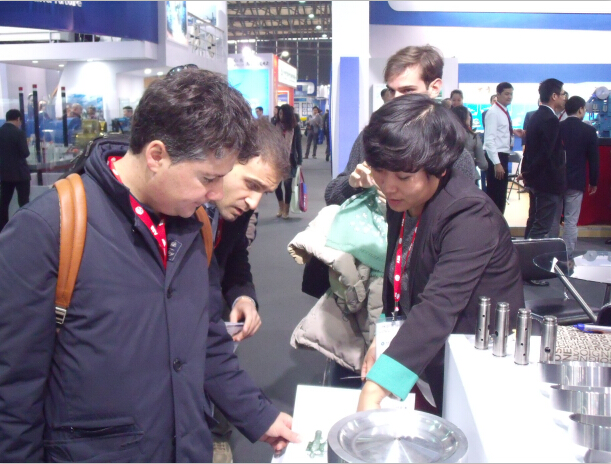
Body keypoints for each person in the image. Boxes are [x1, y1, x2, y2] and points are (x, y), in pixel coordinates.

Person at [0, 69, 299, 462]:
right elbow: (13, 395)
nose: (215, 194)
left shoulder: (195, 224)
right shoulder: (49, 229)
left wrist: (258, 415)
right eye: (208, 178)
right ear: (157, 156)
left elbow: (205, 340)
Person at [356, 94, 524, 415]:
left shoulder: (469, 213)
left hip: (476, 365)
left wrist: (377, 386)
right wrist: (384, 337)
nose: (388, 186)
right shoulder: (405, 201)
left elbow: (439, 306)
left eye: (403, 177)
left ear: (439, 167)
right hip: (434, 357)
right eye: (379, 171)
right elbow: (400, 277)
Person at [208, 119, 290, 462]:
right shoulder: (181, 211)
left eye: (264, 193)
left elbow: (235, 254)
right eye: (251, 185)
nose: (255, 202)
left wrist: (243, 296)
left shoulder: (234, 207)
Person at [324, 44, 476, 206]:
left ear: (434, 88)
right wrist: (353, 184)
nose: (396, 99)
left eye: (408, 90)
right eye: (391, 90)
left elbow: (464, 210)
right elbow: (332, 196)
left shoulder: (452, 152)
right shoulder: (373, 137)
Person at [550, 96, 599, 258]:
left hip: (556, 180)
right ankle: (567, 254)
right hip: (576, 181)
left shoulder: (557, 127)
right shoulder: (589, 131)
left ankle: (549, 253)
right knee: (571, 221)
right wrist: (593, 181)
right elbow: (594, 159)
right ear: (580, 110)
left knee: (553, 220)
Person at [521, 78, 568, 239]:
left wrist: (527, 173)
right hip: (547, 182)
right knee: (542, 227)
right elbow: (546, 153)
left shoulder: (536, 116)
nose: (564, 98)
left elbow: (531, 151)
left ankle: (526, 251)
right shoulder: (550, 119)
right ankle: (529, 254)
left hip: (537, 180)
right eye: (562, 94)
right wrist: (529, 173)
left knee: (535, 221)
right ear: (554, 96)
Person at [483, 82, 525, 214]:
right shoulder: (493, 113)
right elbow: (489, 141)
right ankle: (494, 225)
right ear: (498, 94)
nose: (509, 97)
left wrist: (512, 132)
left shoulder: (503, 111)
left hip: (503, 156)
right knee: (496, 196)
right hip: (497, 157)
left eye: (511, 94)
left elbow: (499, 132)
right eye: (506, 94)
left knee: (501, 196)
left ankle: (499, 223)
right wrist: (497, 163)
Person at [0, 109, 30, 232]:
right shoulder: (19, 133)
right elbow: (25, 153)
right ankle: (24, 228)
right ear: (18, 119)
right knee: (23, 203)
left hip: (4, 174)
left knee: (3, 203)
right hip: (20, 173)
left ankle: (3, 229)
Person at [274, 105, 300, 219]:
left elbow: (298, 145)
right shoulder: (275, 125)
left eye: (282, 113)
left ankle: (286, 209)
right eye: (279, 113)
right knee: (277, 185)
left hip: (290, 160)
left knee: (287, 185)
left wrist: (299, 160)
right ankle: (280, 207)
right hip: (276, 159)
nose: (280, 115)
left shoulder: (295, 127)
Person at [452, 105, 488, 182]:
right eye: (468, 115)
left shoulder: (446, 136)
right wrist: (473, 161)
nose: (470, 117)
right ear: (464, 118)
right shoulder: (473, 137)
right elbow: (483, 164)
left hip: (450, 179)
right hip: (470, 178)